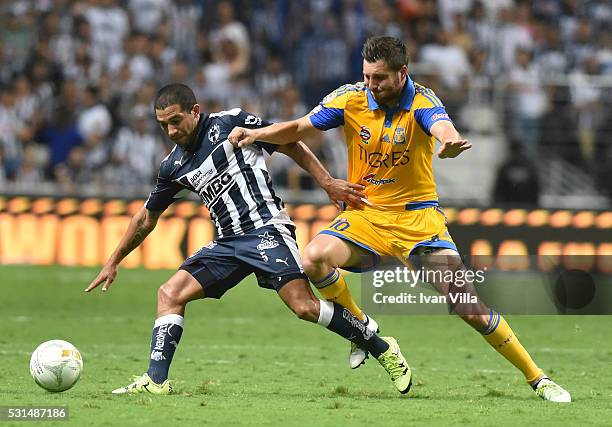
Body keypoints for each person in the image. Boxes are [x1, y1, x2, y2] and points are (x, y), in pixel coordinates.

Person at [228, 36, 571, 403]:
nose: (371, 85)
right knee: (313, 258)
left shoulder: (422, 100)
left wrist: (449, 141)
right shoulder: (351, 98)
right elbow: (299, 128)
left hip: (418, 221)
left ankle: (539, 379)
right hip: (366, 215)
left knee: (468, 308)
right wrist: (257, 134)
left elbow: (442, 126)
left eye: (379, 78)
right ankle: (362, 326)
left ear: (402, 73)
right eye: (367, 76)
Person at [85, 83, 412, 395]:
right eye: (163, 125)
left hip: (266, 230)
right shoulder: (173, 165)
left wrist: (327, 182)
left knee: (304, 307)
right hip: (227, 244)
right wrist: (113, 261)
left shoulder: (231, 123)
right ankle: (156, 381)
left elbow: (289, 142)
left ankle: (381, 347)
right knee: (169, 293)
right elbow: (145, 217)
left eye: (175, 121)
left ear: (195, 111)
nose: (171, 131)